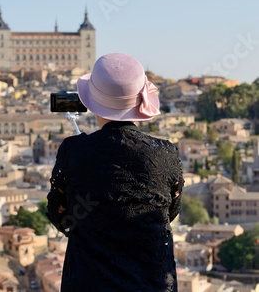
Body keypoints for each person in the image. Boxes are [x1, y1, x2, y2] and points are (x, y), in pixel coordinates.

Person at [47, 53, 184, 291]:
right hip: (152, 283)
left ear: (91, 100)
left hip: (89, 282)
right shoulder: (167, 154)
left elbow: (60, 216)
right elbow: (169, 211)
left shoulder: (74, 151)